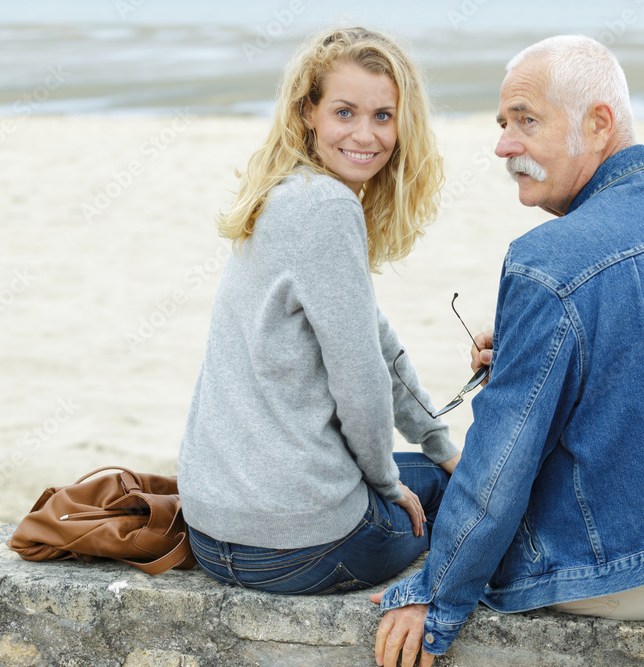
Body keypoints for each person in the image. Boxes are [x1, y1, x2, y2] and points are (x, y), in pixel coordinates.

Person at [373, 35, 644, 666]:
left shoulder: (546, 261)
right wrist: (528, 355)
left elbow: (500, 465)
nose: (503, 145)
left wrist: (435, 597)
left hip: (638, 576)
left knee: (408, 491)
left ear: (599, 124)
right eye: (502, 124)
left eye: (526, 122)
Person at [177, 27, 460, 597]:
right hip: (301, 549)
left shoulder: (281, 193)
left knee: (441, 468)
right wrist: (387, 481)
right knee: (473, 489)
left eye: (384, 116)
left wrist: (436, 441)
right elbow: (362, 384)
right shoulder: (329, 208)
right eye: (345, 112)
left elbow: (376, 343)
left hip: (209, 534)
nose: (366, 134)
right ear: (308, 111)